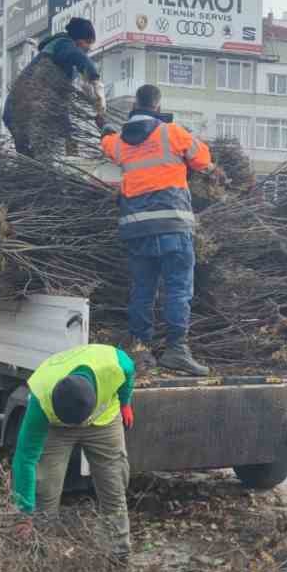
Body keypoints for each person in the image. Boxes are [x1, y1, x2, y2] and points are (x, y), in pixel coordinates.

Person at [100, 84, 219, 376]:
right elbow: (203, 160)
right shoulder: (172, 132)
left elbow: (106, 142)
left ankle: (141, 349)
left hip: (137, 228)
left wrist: (102, 124)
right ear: (157, 105)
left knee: (143, 289)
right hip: (173, 226)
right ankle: (176, 350)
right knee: (178, 288)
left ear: (135, 106)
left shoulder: (121, 142)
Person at [10, 344, 136, 572]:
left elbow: (129, 371)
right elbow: (25, 457)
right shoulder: (41, 397)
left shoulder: (114, 364)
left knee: (114, 489)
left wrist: (125, 402)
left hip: (104, 422)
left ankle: (118, 562)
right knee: (44, 490)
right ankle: (41, 563)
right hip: (56, 431)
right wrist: (24, 511)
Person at [3, 17, 104, 157]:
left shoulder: (58, 69)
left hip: (19, 112)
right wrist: (95, 80)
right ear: (78, 40)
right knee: (40, 152)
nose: (89, 48)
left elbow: (60, 105)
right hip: (24, 111)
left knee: (31, 156)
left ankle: (32, 168)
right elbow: (78, 56)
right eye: (88, 43)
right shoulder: (63, 44)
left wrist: (70, 140)